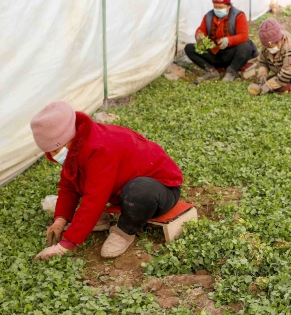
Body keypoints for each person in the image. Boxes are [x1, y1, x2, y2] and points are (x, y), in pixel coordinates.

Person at [31, 102, 183, 262]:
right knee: (92, 182)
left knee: (139, 192)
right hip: (125, 187)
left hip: (162, 189)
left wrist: (65, 245)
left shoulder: (100, 149)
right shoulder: (77, 143)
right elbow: (69, 185)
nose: (55, 156)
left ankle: (125, 231)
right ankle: (103, 220)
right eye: (50, 153)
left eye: (56, 150)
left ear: (69, 137)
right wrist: (60, 220)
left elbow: (95, 199)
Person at [184, 0, 259, 83]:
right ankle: (211, 71)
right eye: (215, 7)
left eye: (221, 7)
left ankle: (231, 71)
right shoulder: (208, 17)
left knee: (246, 47)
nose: (217, 10)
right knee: (189, 48)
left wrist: (229, 40)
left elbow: (243, 35)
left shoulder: (238, 16)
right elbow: (201, 29)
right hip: (214, 53)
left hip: (231, 54)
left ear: (229, 6)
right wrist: (199, 35)